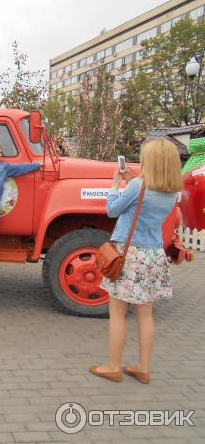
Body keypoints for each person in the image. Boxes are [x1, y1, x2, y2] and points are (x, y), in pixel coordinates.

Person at [89, 139, 183, 384]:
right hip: (153, 255)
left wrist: (114, 184)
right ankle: (143, 367)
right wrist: (132, 183)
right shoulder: (172, 192)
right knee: (145, 315)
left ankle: (112, 366)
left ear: (149, 161)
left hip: (129, 255)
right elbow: (145, 208)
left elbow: (112, 210)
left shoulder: (139, 186)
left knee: (117, 313)